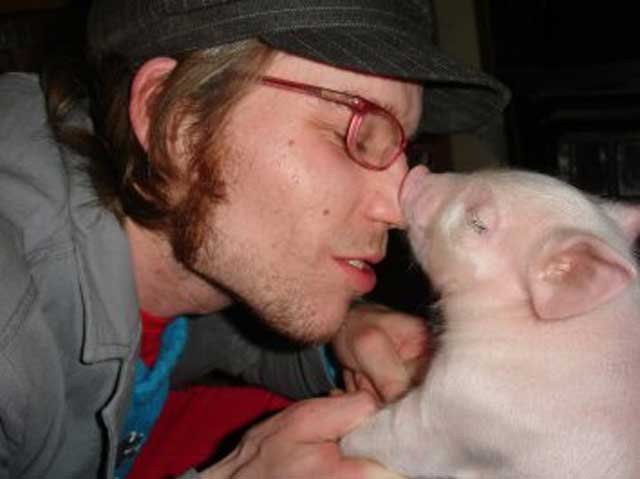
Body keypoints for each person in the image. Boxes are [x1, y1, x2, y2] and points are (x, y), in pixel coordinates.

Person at [0, 1, 509, 478]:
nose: (398, 211)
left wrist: (344, 337)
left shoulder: (165, 254)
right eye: (355, 135)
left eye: (404, 151)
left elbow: (207, 333)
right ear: (177, 124)